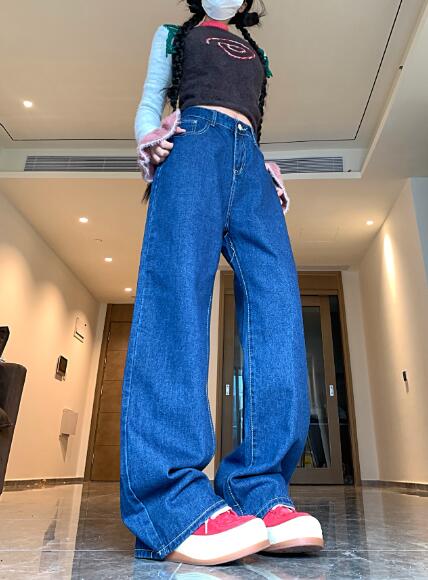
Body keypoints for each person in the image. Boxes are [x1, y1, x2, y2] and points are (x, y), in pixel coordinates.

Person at [120, 0, 324, 566]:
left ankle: (260, 490)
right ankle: (170, 500)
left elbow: (248, 119)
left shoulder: (258, 53)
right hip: (191, 143)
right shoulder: (173, 34)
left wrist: (263, 162)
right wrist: (148, 138)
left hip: (249, 159)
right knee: (177, 300)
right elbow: (150, 100)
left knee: (279, 305)